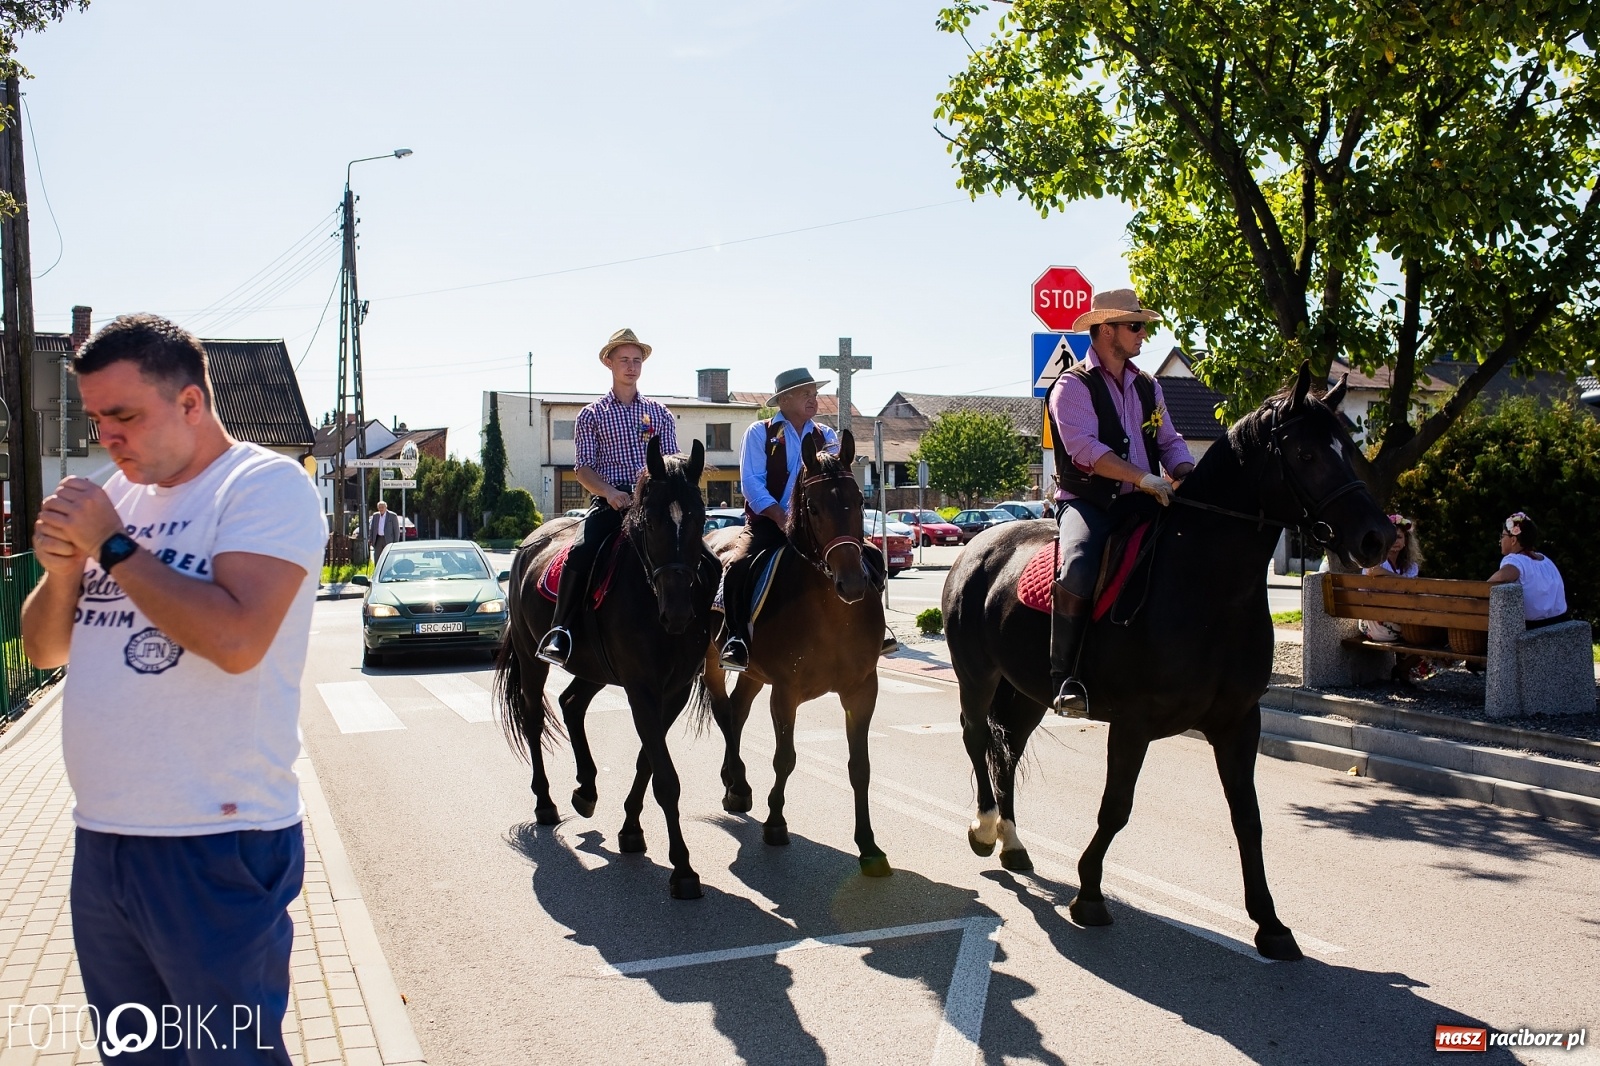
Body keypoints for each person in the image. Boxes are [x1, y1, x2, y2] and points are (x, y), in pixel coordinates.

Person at [20, 314, 327, 1065]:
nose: (107, 439)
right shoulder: (108, 494)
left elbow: (234, 640)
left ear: (191, 403)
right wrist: (63, 571)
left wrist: (111, 546)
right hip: (105, 839)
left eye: (124, 416)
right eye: (96, 419)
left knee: (229, 1057)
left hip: (215, 841)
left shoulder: (263, 485)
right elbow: (44, 648)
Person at [1044, 289, 1195, 716]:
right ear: (1106, 329)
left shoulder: (1149, 385)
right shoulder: (1072, 386)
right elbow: (1085, 451)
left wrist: (1187, 475)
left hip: (1144, 500)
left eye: (1142, 325)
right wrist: (1142, 477)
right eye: (1135, 326)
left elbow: (1169, 441)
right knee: (1078, 565)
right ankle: (1065, 677)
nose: (1143, 333)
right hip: (1088, 503)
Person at [536, 328, 678, 666]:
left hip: (653, 505)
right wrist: (610, 493)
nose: (631, 366)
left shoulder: (661, 414)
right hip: (612, 502)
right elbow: (583, 469)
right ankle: (561, 629)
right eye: (624, 360)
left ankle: (710, 629)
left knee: (693, 552)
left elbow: (671, 463)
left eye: (637, 360)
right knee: (583, 550)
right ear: (609, 363)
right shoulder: (592, 415)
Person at [717, 368, 838, 672]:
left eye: (815, 394)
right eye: (806, 394)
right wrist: (780, 516)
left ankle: (875, 632)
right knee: (738, 565)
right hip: (769, 525)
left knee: (866, 559)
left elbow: (835, 481)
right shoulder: (761, 432)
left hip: (816, 529)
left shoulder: (826, 435)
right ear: (785, 399)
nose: (814, 400)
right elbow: (751, 484)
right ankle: (737, 639)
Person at [1488, 511, 1568, 628]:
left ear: (1513, 540)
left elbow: (1498, 579)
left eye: (1503, 536)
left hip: (1533, 629)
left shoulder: (1516, 561)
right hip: (1560, 623)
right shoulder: (1546, 561)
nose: (1500, 540)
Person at [1359, 513, 1423, 642]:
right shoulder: (1375, 562)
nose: (1395, 541)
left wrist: (1387, 574)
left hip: (1399, 619)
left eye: (1399, 537)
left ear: (1406, 541)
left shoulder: (1410, 566)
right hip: (1377, 624)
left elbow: (1410, 589)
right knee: (1426, 633)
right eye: (1391, 537)